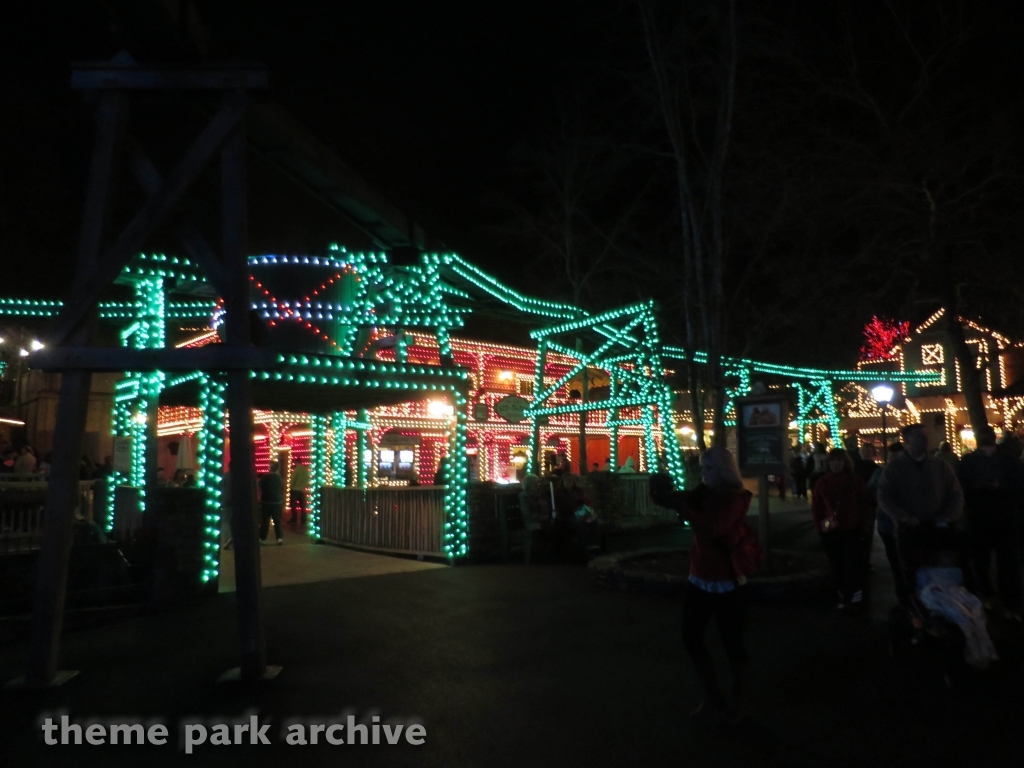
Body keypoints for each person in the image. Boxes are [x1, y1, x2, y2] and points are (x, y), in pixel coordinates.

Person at [649, 447, 756, 725]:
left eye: (707, 468)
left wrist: (681, 507)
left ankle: (739, 703)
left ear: (721, 471)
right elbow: (685, 500)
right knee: (691, 637)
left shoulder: (734, 498)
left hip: (727, 579)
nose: (702, 473)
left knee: (732, 643)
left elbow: (711, 529)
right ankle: (713, 696)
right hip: (701, 575)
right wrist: (664, 495)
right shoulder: (705, 492)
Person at [877, 424, 965, 608]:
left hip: (938, 530)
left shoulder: (941, 466)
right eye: (918, 436)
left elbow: (956, 494)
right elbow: (884, 497)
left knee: (941, 569)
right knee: (908, 572)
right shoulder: (894, 468)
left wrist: (948, 516)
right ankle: (911, 607)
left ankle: (939, 605)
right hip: (909, 530)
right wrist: (902, 517)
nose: (924, 440)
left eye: (925, 436)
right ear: (907, 441)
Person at [957, 426, 1024, 621]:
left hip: (997, 516)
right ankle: (996, 599)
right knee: (987, 561)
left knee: (1001, 562)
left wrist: (998, 487)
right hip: (987, 516)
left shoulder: (972, 461)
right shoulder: (1005, 461)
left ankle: (1001, 600)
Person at [812, 449, 873, 609]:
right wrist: (820, 528)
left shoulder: (855, 481)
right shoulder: (822, 483)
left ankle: (855, 597)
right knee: (837, 565)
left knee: (853, 564)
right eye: (832, 461)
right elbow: (817, 508)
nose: (835, 464)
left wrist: (864, 527)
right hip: (832, 530)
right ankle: (843, 595)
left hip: (853, 528)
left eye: (839, 461)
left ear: (845, 463)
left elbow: (865, 505)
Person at [868, 443, 910, 606]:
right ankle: (904, 593)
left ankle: (905, 592)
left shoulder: (883, 473)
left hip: (900, 524)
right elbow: (871, 493)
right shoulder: (881, 473)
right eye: (893, 458)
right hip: (889, 524)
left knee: (902, 559)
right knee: (896, 559)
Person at [259, 461, 285, 545]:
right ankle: (279, 538)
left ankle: (262, 537)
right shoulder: (279, 478)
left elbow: (260, 486)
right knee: (277, 521)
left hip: (267, 501)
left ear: (271, 467)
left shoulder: (265, 477)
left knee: (265, 520)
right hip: (277, 501)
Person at [290, 461, 311, 525]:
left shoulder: (296, 470)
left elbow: (293, 479)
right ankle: (303, 520)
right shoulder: (305, 470)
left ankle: (294, 519)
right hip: (302, 490)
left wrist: (291, 486)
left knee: (293, 505)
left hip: (295, 489)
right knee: (302, 506)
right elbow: (307, 479)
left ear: (297, 462)